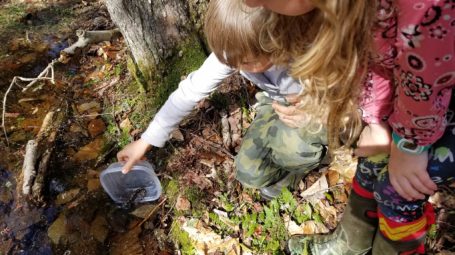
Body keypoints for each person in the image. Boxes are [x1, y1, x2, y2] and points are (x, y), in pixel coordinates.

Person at [243, 0, 454, 254]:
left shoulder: (425, 7)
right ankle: (353, 241)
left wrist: (409, 146)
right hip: (417, 101)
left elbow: (424, 80)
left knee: (399, 188)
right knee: (375, 153)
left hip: (433, 104)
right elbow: (373, 60)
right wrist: (376, 121)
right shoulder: (351, 9)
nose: (250, 3)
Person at [116, 0, 328, 200]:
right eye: (228, 59)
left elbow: (354, 102)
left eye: (245, 62)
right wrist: (146, 140)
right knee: (248, 173)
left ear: (275, 44)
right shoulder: (235, 51)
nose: (234, 66)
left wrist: (314, 114)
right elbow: (189, 92)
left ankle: (310, 160)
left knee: (295, 148)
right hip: (276, 102)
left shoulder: (312, 52)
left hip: (326, 109)